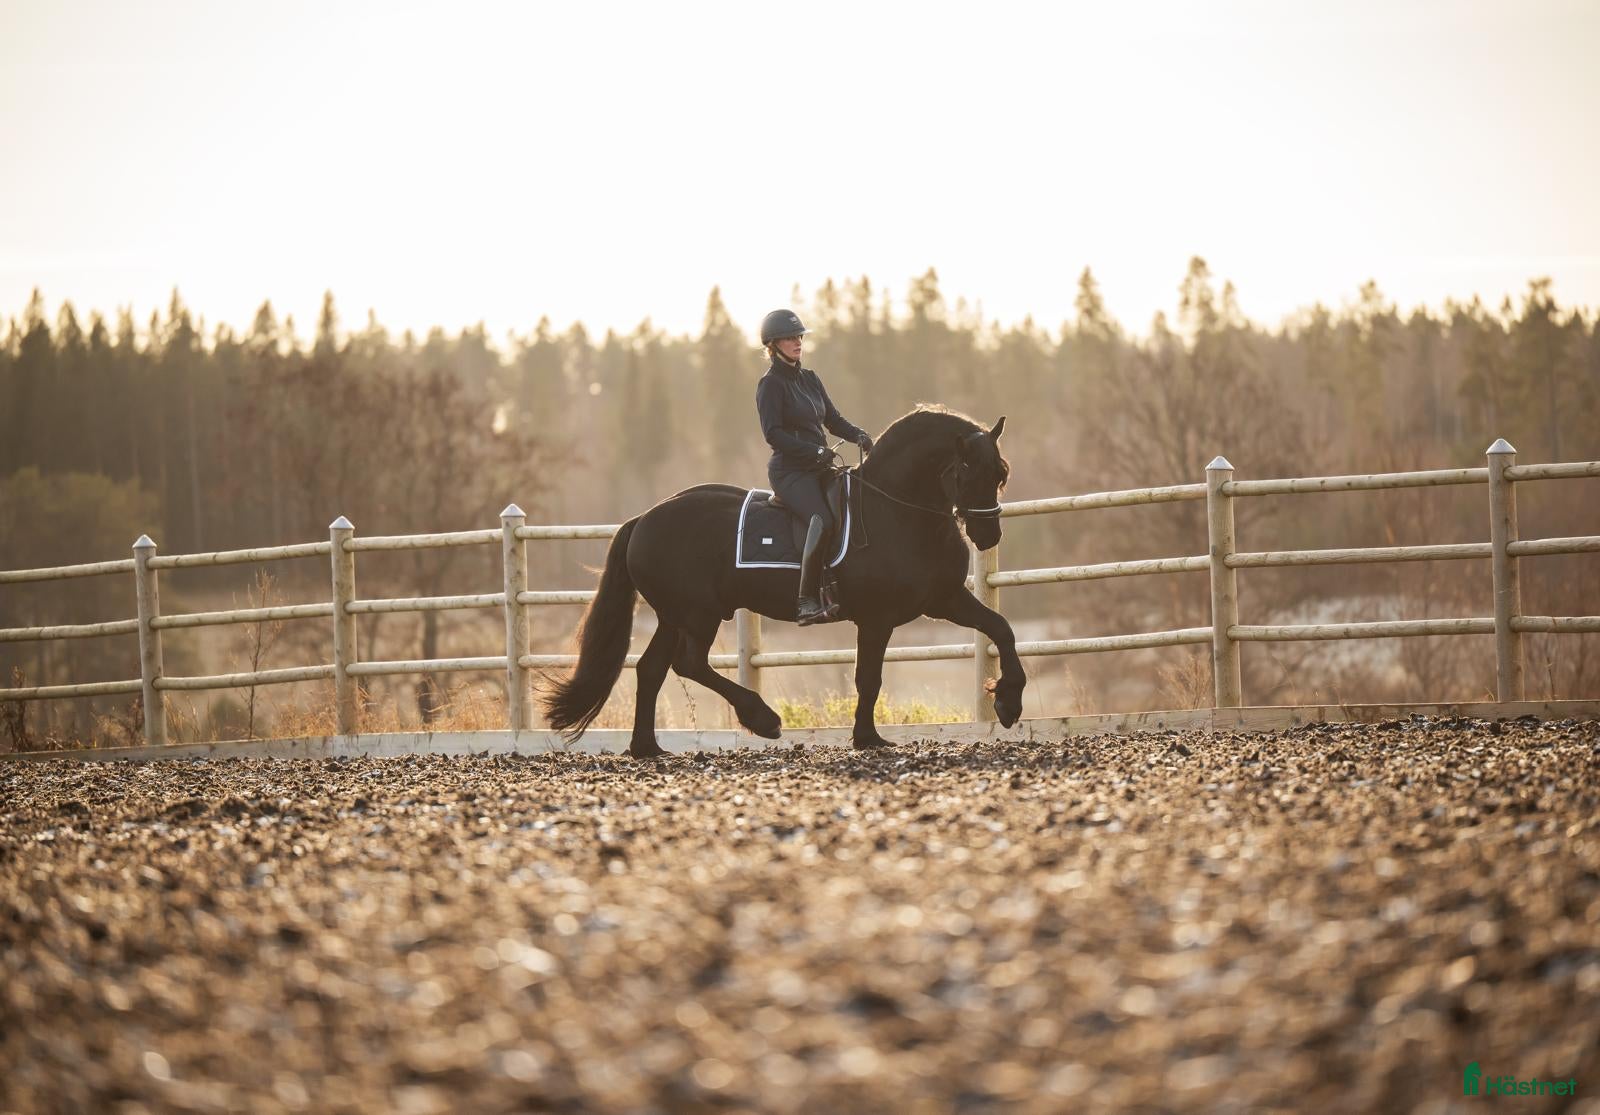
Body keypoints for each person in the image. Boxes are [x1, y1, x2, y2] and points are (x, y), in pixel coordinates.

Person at [755, 309, 874, 625]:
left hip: (819, 466)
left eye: (799, 337)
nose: (797, 342)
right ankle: (806, 599)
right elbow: (773, 434)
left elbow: (832, 419)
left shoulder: (809, 379)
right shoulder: (770, 385)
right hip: (790, 472)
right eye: (790, 338)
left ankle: (839, 584)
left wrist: (858, 435)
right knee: (820, 518)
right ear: (773, 344)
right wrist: (814, 450)